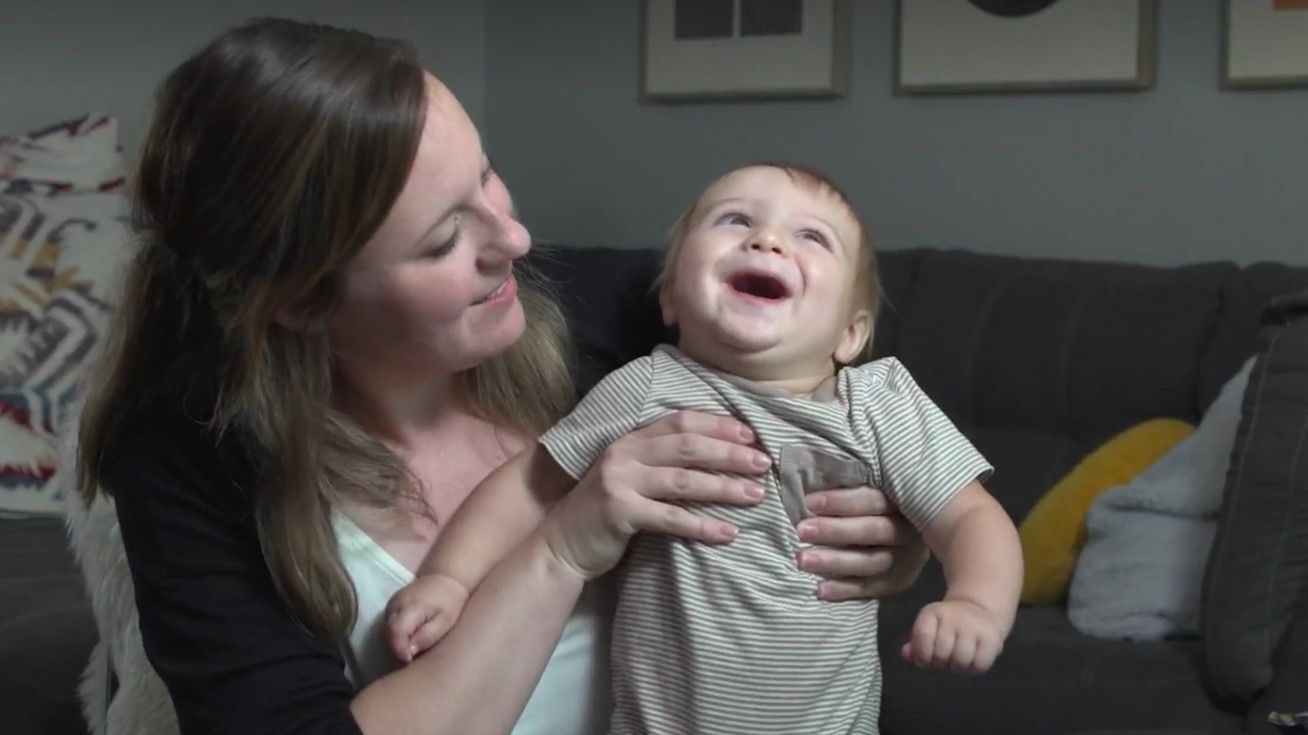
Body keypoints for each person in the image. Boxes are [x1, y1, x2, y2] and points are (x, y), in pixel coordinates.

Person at [73, 18, 931, 735]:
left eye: (486, 173)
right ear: (302, 301)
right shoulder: (189, 457)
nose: (514, 239)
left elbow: (840, 369)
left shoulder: (622, 313)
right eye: (446, 238)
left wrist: (894, 540)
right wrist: (560, 547)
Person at [386, 163, 1024, 733]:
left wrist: (976, 603)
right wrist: (451, 577)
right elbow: (530, 486)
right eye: (735, 219)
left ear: (851, 334)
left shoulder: (879, 405)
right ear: (671, 295)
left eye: (812, 237)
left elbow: (969, 516)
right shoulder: (646, 389)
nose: (766, 239)